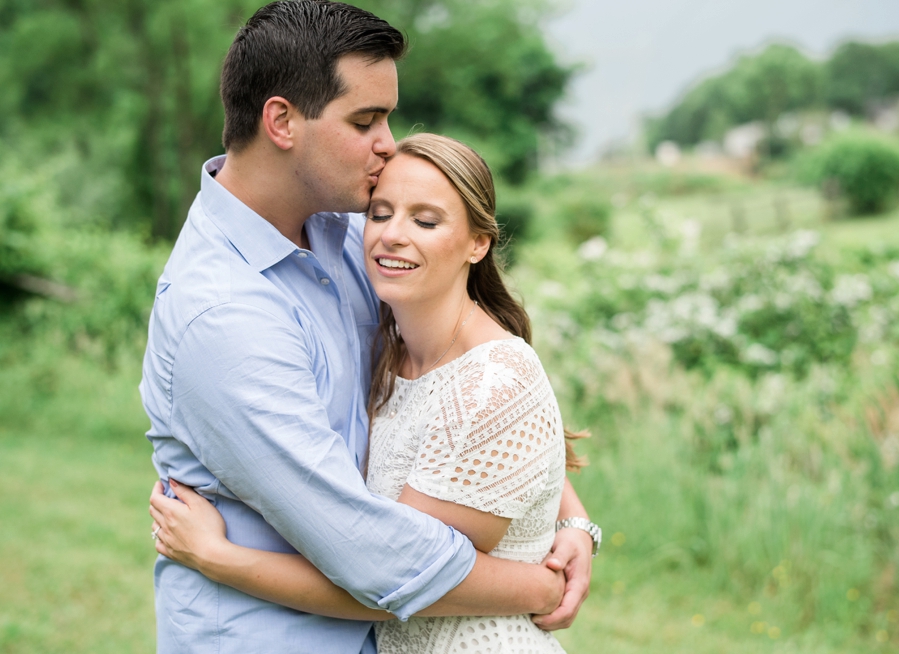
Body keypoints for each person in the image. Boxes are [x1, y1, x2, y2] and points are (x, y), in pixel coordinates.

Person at [138, 2, 598, 653]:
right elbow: (370, 550)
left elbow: (475, 395)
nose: (388, 141)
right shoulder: (224, 316)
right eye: (365, 120)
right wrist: (537, 586)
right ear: (281, 121)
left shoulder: (348, 233)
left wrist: (574, 522)